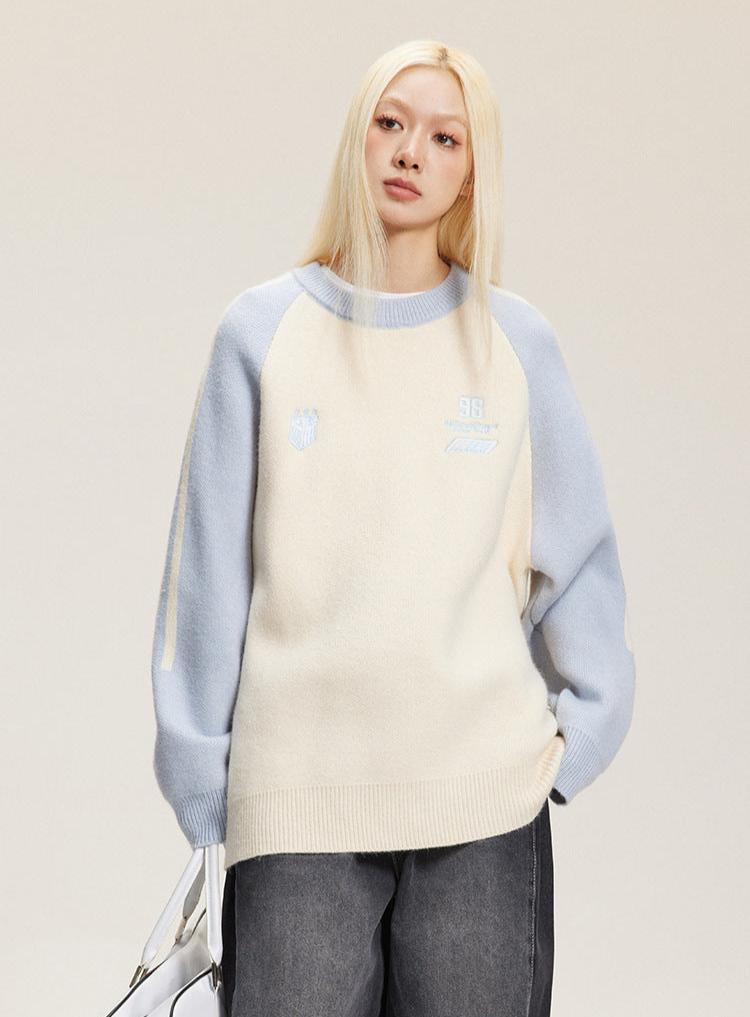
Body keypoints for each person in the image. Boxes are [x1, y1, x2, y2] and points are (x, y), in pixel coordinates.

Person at [149, 38, 636, 1017]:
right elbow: (206, 575)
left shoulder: (514, 343)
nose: (412, 151)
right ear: (358, 141)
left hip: (484, 807)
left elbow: (576, 557)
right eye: (391, 123)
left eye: (446, 137)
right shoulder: (261, 331)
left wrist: (583, 731)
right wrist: (202, 778)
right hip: (298, 807)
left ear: (470, 173)